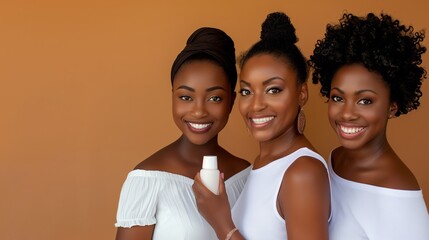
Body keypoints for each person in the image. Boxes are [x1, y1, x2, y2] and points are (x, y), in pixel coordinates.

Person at [193, 12, 331, 240]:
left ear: (302, 93)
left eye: (273, 90)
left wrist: (222, 223)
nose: (255, 105)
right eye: (247, 91)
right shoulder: (265, 162)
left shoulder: (303, 172)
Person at [114, 27, 251, 240]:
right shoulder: (146, 181)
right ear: (172, 97)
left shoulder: (249, 177)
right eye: (186, 97)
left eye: (214, 98)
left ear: (232, 101)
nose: (198, 111)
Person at [308, 13, 429, 239]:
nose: (347, 113)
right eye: (337, 98)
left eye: (365, 101)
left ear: (392, 107)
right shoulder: (335, 159)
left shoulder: (398, 197)